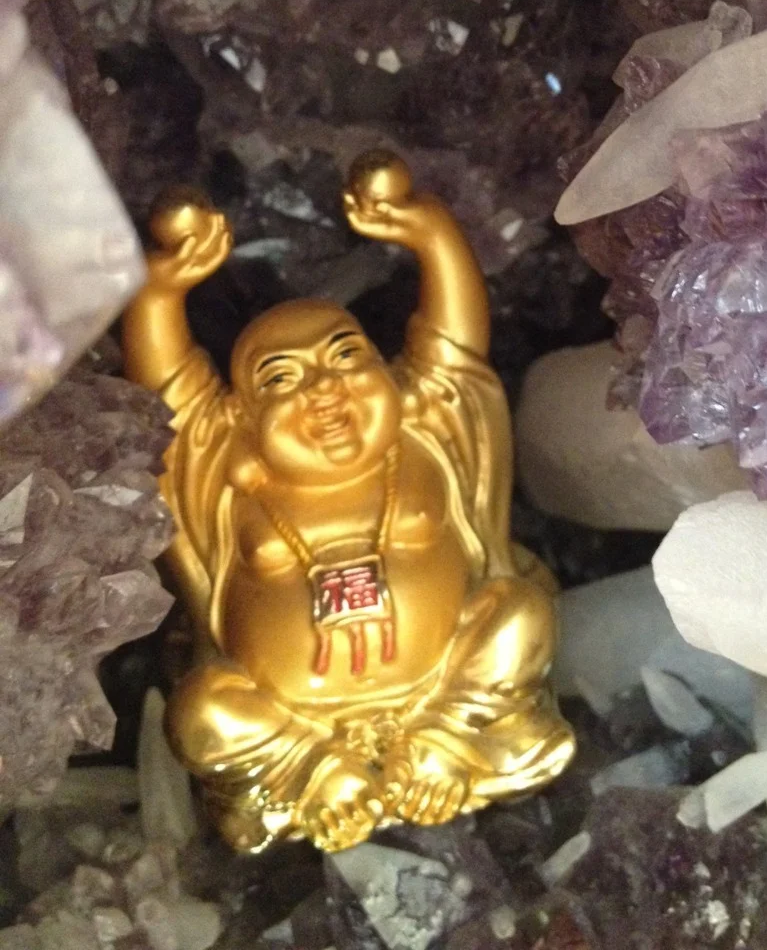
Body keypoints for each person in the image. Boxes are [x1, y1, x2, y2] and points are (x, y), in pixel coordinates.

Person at [123, 150, 574, 852]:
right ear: (241, 419)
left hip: (445, 686)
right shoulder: (229, 475)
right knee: (203, 713)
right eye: (282, 380)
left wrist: (430, 232)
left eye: (345, 358)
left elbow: (455, 350)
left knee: (520, 614)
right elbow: (168, 402)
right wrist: (157, 294)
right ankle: (320, 773)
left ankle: (440, 746)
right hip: (289, 719)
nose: (324, 390)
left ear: (390, 380)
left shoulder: (423, 436)